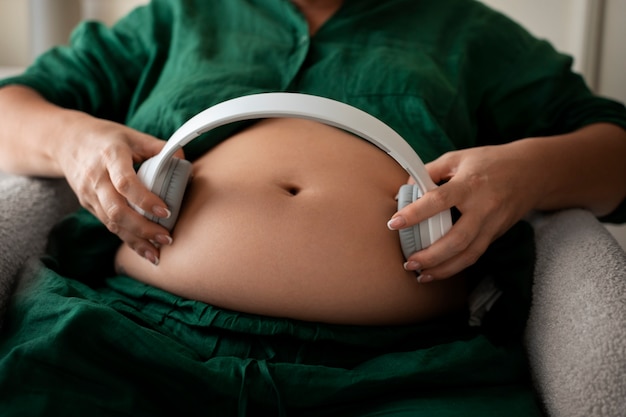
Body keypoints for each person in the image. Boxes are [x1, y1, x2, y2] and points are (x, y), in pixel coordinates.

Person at [0, 0, 624, 415]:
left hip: (404, 373)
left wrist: (529, 174)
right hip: (130, 340)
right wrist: (70, 139)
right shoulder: (177, 17)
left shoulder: (473, 34)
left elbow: (614, 150)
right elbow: (12, 108)